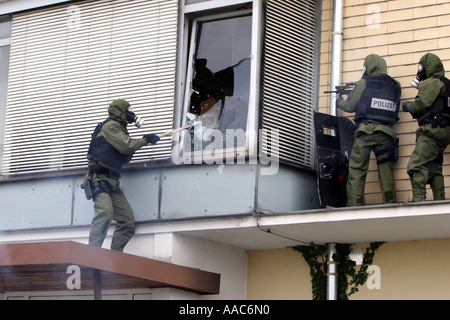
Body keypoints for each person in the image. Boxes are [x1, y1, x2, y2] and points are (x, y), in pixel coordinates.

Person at [82, 99, 160, 251]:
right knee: (105, 212)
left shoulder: (119, 129)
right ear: (121, 111)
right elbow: (126, 145)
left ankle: (114, 258)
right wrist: (145, 140)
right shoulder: (111, 126)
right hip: (99, 179)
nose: (131, 113)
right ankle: (91, 254)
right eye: (128, 110)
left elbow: (125, 154)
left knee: (127, 222)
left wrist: (141, 142)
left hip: (112, 182)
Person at [337, 54, 401, 206]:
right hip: (386, 133)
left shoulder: (364, 82)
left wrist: (340, 101)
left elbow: (350, 106)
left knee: (357, 169)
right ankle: (390, 202)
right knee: (385, 169)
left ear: (370, 66)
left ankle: (354, 204)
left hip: (366, 131)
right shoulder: (395, 85)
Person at [402, 53, 450, 202]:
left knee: (416, 165)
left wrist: (408, 106)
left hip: (431, 131)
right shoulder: (447, 84)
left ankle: (418, 201)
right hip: (444, 133)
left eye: (421, 66)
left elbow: (421, 104)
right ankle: (440, 201)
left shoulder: (432, 82)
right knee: (434, 169)